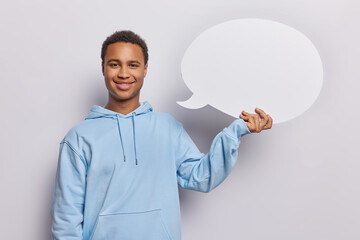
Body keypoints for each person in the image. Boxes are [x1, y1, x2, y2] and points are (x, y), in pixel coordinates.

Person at [50, 30, 273, 240]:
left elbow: (201, 177)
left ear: (145, 69)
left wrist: (236, 131)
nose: (124, 73)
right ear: (103, 68)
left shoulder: (167, 127)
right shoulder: (78, 138)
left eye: (133, 65)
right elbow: (66, 219)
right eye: (115, 64)